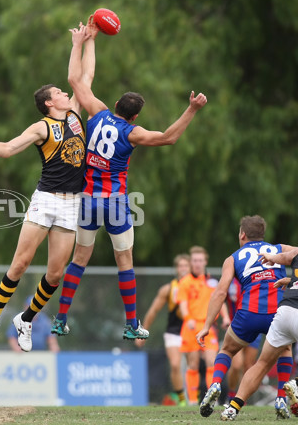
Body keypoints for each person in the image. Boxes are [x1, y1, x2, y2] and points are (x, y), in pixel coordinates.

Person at [50, 23, 208, 341]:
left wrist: (80, 43)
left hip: (87, 201)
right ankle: (132, 323)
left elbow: (74, 80)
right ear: (134, 116)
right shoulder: (132, 133)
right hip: (116, 203)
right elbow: (168, 137)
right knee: (125, 261)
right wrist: (191, 109)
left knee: (79, 259)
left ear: (117, 105)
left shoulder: (96, 112)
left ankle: (60, 318)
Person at [0, 20, 98, 353]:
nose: (67, 94)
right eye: (59, 94)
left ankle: (25, 319)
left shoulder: (76, 117)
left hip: (71, 204)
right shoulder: (42, 127)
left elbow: (84, 79)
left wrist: (88, 41)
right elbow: (9, 149)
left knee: (55, 274)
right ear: (50, 103)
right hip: (46, 200)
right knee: (20, 264)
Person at [220, 220, 298, 421]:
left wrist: (272, 258)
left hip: (285, 312)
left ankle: (232, 407)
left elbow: (283, 258)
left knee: (261, 363)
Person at [196, 215, 297, 419]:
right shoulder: (279, 249)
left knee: (227, 349)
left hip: (248, 314)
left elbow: (220, 292)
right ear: (262, 234)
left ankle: (215, 383)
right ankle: (280, 398)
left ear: (242, 234)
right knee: (285, 349)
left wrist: (207, 325)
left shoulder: (233, 258)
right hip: (277, 313)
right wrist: (292, 278)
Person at [135, 254, 191, 406]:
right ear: (176, 269)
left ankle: (195, 397)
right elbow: (153, 311)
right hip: (174, 331)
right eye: (181, 266)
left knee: (194, 366)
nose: (183, 269)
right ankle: (181, 400)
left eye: (186, 266)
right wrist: (143, 332)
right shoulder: (168, 289)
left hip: (193, 332)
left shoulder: (198, 286)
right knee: (175, 365)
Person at [177, 246, 230, 405]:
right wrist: (188, 318)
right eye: (195, 260)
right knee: (192, 365)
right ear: (191, 262)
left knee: (211, 362)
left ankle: (211, 398)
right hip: (191, 327)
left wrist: (226, 317)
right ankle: (192, 401)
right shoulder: (185, 282)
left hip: (207, 327)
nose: (198, 263)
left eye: (200, 260)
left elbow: (219, 300)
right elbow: (183, 304)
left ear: (205, 261)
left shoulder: (212, 281)